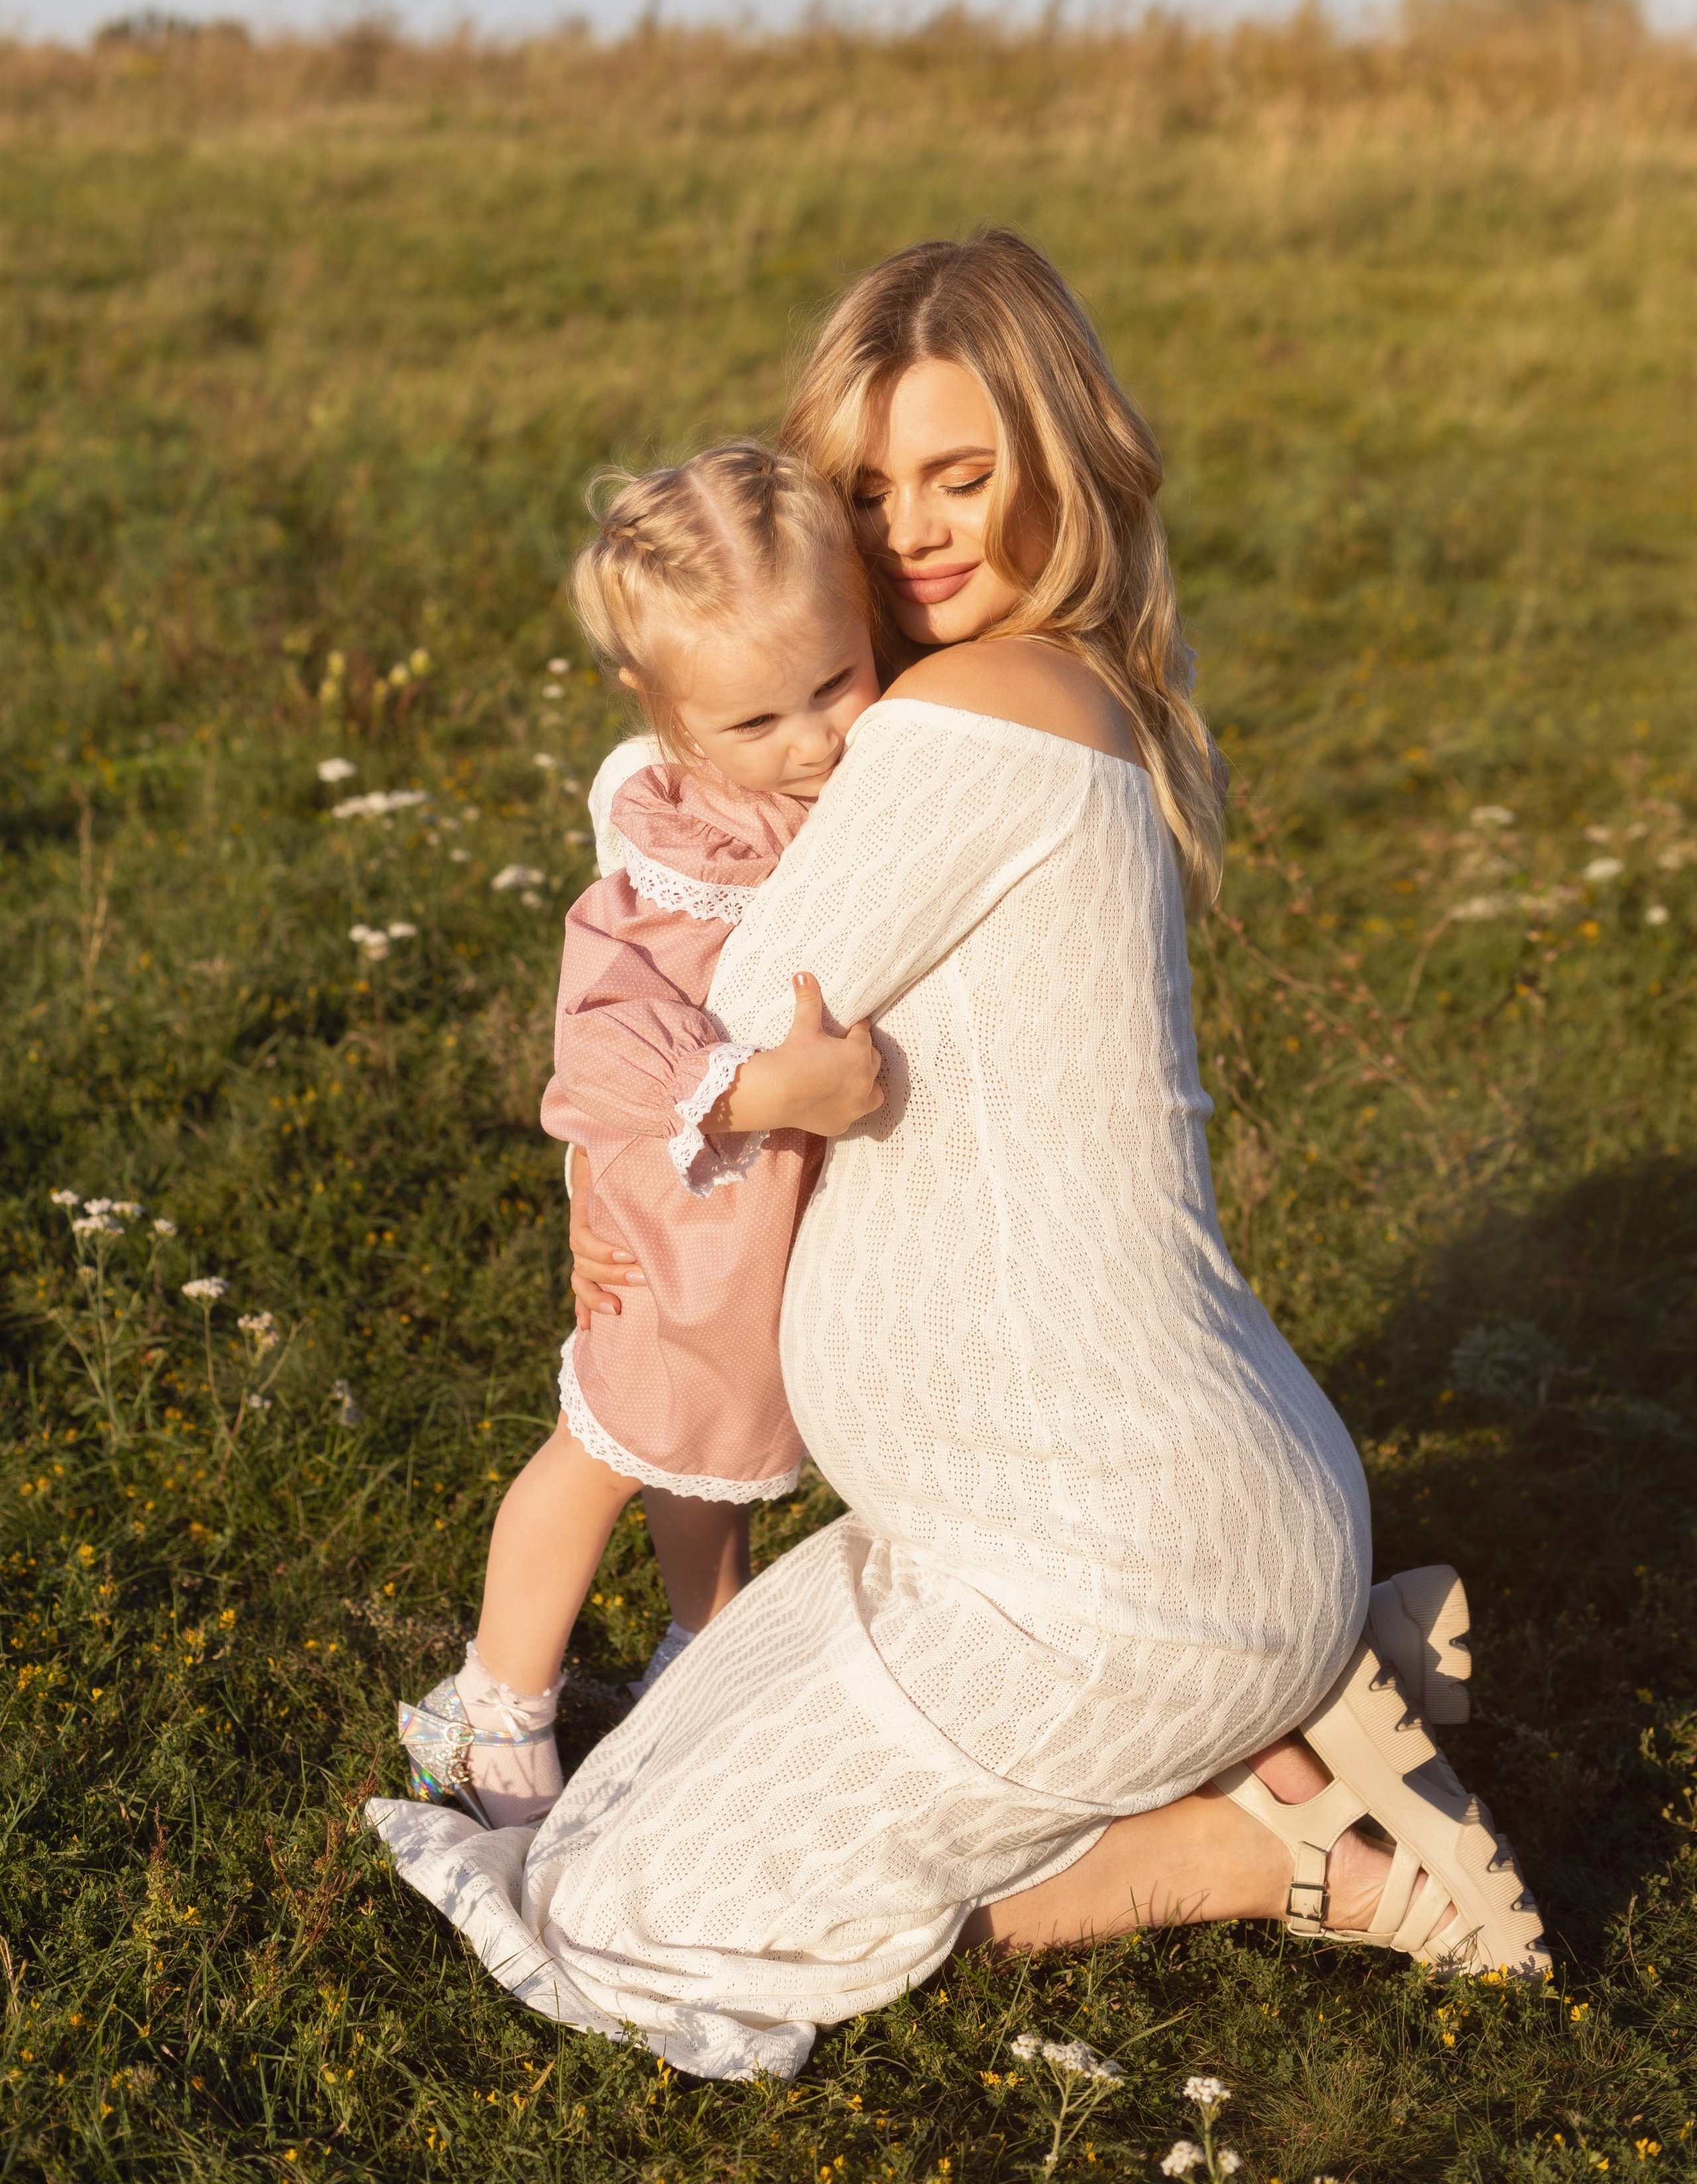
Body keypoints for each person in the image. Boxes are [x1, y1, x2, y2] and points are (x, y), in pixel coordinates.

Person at [369, 231, 1547, 2077]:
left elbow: (744, 1006)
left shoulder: (959, 719)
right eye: (865, 488)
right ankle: (1323, 1684)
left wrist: (633, 1128)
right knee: (615, 1800)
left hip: (1108, 1556)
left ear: (1060, 463)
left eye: (962, 475)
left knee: (622, 1912)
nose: (914, 531)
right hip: (1043, 1522)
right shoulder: (1046, 689)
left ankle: (1253, 1847)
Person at [393, 444, 884, 1830]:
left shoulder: (846, 783)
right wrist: (762, 1095)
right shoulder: (691, 845)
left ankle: (700, 1650)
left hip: (748, 1223)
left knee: (706, 1455)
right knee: (607, 1451)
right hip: (684, 1211)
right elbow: (600, 1045)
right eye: (754, 723)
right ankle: (486, 1706)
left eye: (836, 684)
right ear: (661, 717)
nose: (811, 742)